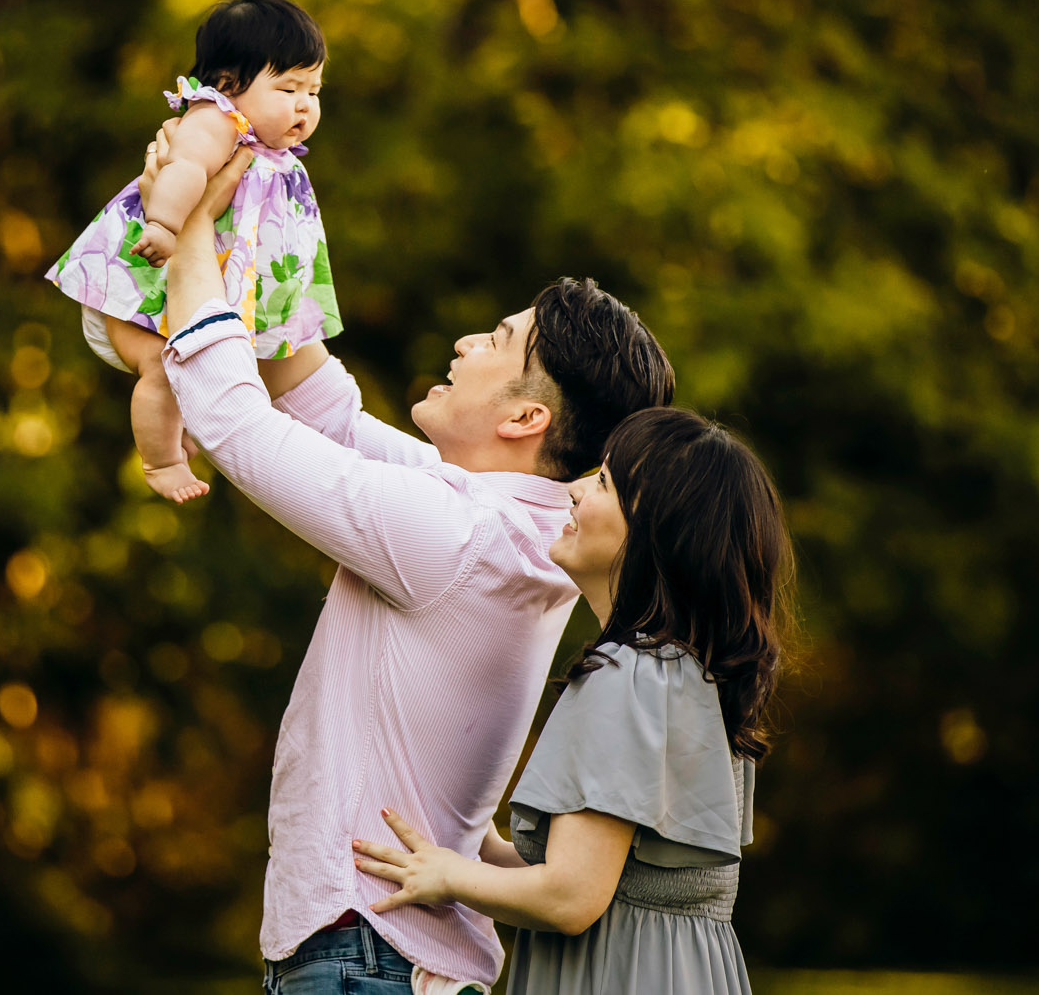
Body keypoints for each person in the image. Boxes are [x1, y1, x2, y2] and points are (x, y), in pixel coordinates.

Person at [146, 148, 676, 994]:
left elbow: (239, 426)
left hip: (368, 952)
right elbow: (317, 404)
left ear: (527, 416)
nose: (466, 342)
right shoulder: (508, 520)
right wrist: (258, 191)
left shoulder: (460, 532)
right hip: (384, 953)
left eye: (496, 340)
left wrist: (185, 229)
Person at [351, 407, 797, 995]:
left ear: (656, 534)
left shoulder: (632, 677)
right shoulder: (678, 675)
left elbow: (570, 897)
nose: (576, 489)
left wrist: (446, 874)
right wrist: (470, 840)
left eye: (604, 483)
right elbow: (601, 879)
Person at [45, 0, 340, 503]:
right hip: (140, 289)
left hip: (185, 293)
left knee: (206, 367)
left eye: (312, 91)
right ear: (229, 84)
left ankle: (180, 431)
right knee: (164, 364)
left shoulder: (269, 149)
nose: (303, 105)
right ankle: (160, 462)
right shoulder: (217, 120)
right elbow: (180, 169)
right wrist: (161, 224)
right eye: (288, 87)